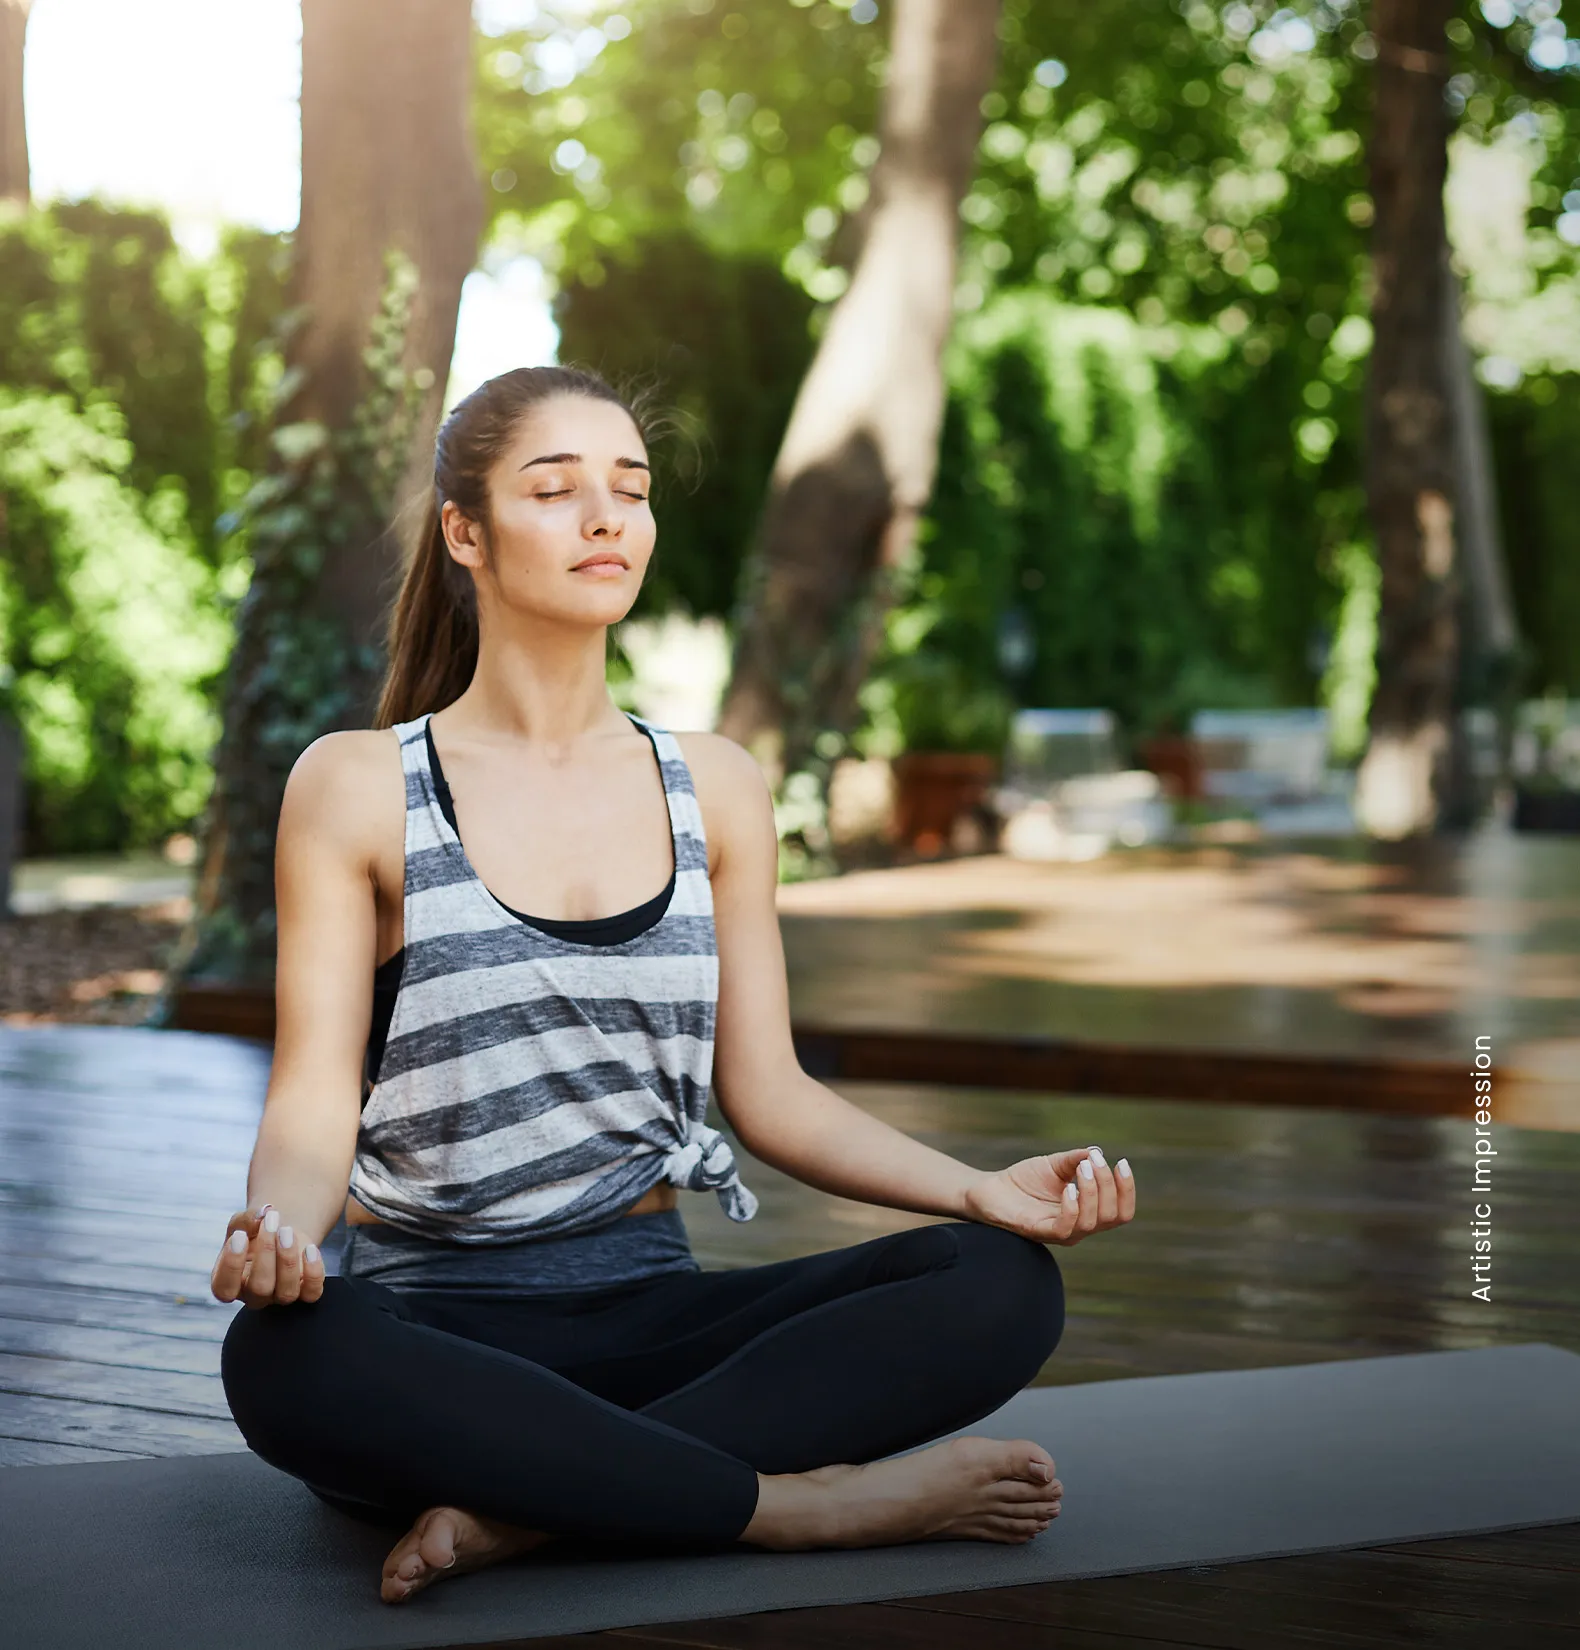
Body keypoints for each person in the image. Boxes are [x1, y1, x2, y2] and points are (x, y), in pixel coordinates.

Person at [213, 364, 1137, 1607]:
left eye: (630, 489)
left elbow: (769, 1095)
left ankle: (530, 1514)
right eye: (558, 489)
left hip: (659, 1325)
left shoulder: (715, 785)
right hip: (441, 1342)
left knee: (998, 1284)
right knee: (284, 1362)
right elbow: (315, 1095)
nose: (607, 516)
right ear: (464, 533)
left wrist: (980, 1191)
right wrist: (279, 1229)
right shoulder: (358, 783)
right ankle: (793, 1509)